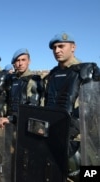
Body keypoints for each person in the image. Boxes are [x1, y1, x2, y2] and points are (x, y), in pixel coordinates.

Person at [44, 32, 100, 181]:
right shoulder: (52, 75)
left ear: (73, 47)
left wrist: (69, 130)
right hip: (53, 135)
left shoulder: (86, 71)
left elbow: (91, 107)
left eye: (61, 46)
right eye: (54, 47)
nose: (57, 51)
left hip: (78, 139)